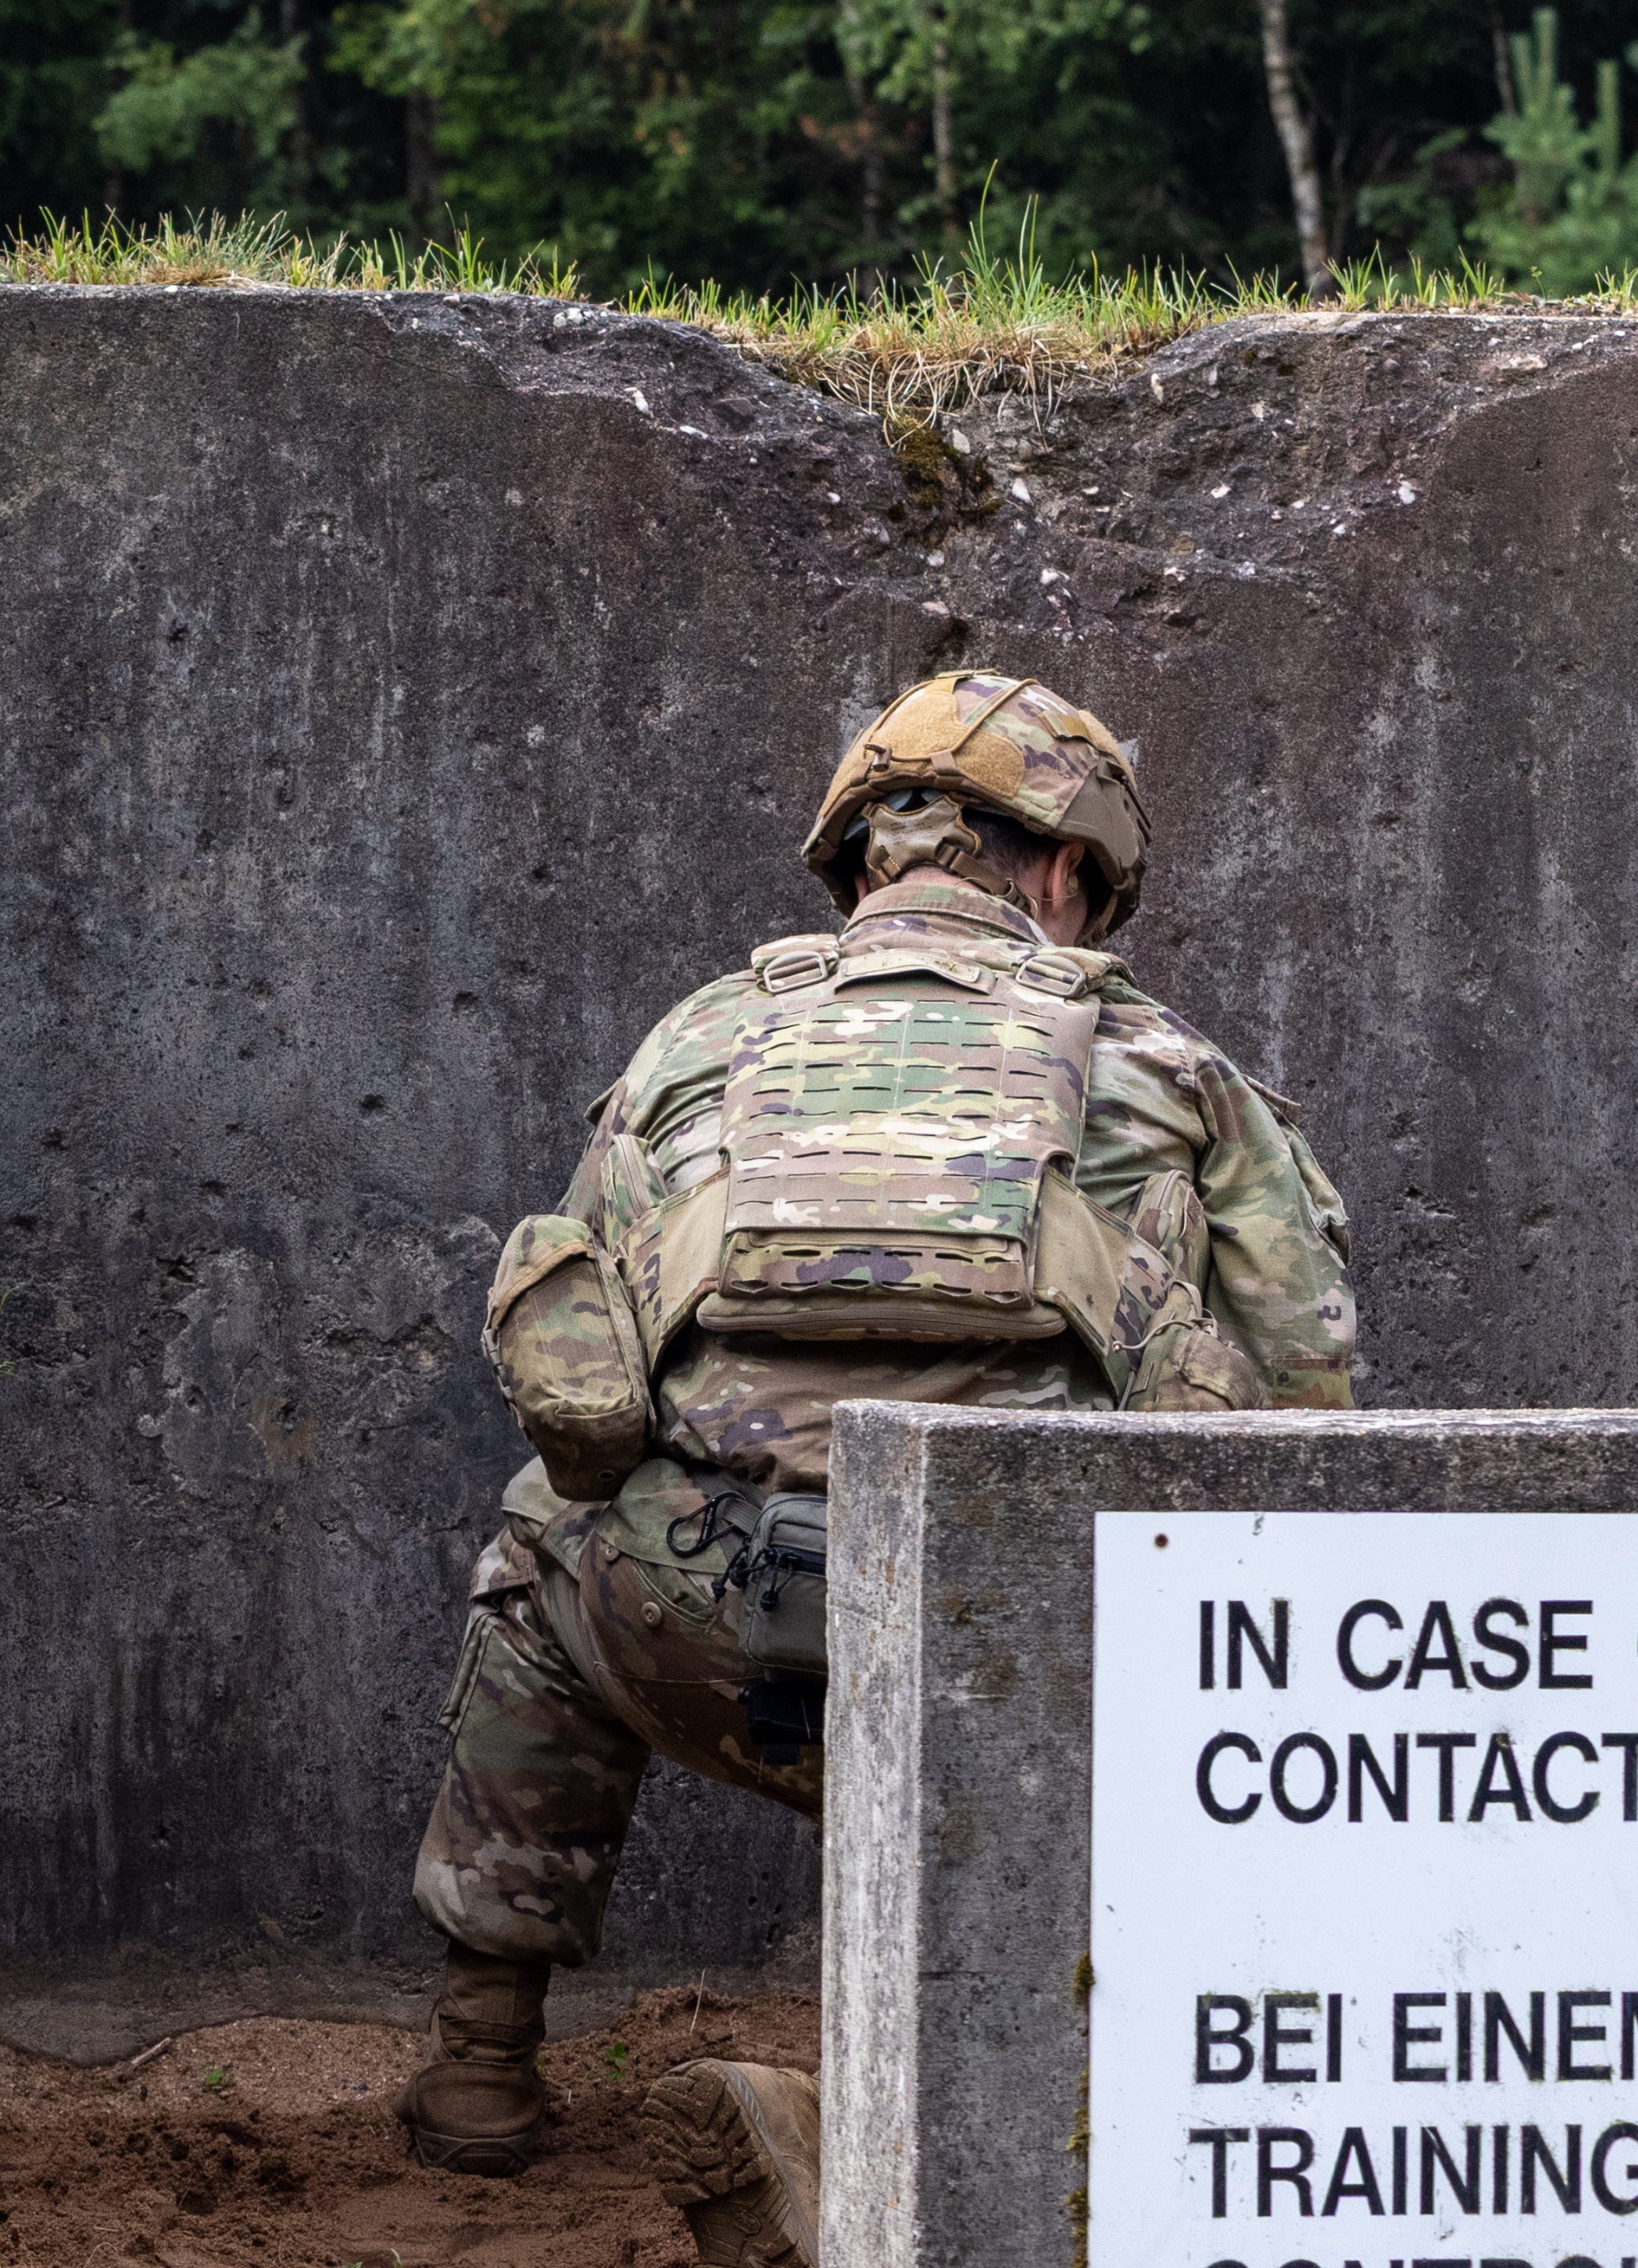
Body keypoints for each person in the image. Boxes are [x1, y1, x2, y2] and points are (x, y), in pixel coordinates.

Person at [392, 669, 1363, 2206]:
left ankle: (479, 2064)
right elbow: (1309, 1409)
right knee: (1239, 1629)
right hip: (1025, 1664)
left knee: (536, 1553)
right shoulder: (1174, 1067)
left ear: (864, 865)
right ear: (1059, 867)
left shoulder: (697, 1041)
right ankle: (1121, 2092)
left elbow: (580, 1373)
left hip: (693, 1628)